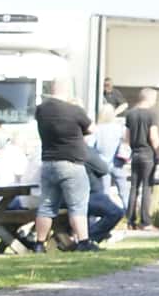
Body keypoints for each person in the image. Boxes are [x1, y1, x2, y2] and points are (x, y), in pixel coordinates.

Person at [32, 80, 96, 252]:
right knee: (77, 205)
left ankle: (39, 244)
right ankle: (83, 241)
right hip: (71, 163)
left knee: (46, 206)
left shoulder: (41, 110)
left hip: (48, 162)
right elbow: (91, 128)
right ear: (67, 91)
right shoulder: (74, 111)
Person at [124, 88, 159, 229]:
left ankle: (130, 220)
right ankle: (145, 221)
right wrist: (158, 152)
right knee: (147, 187)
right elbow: (153, 136)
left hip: (135, 153)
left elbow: (126, 137)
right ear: (149, 98)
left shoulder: (130, 114)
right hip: (147, 153)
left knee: (134, 187)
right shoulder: (151, 115)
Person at [90, 103, 129, 203]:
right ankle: (130, 215)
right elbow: (125, 142)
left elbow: (91, 147)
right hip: (117, 162)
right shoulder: (119, 128)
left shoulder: (96, 129)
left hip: (101, 163)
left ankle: (103, 215)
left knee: (104, 192)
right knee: (124, 191)